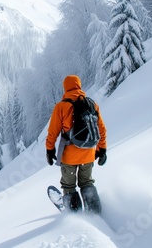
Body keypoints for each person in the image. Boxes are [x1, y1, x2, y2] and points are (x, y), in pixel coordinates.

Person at [45, 75, 107, 213]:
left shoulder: (61, 107)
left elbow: (52, 133)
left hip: (69, 157)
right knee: (87, 183)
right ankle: (95, 213)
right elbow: (101, 129)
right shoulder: (92, 104)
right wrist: (102, 150)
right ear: (79, 86)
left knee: (69, 186)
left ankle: (75, 216)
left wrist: (50, 150)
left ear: (65, 88)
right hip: (89, 154)